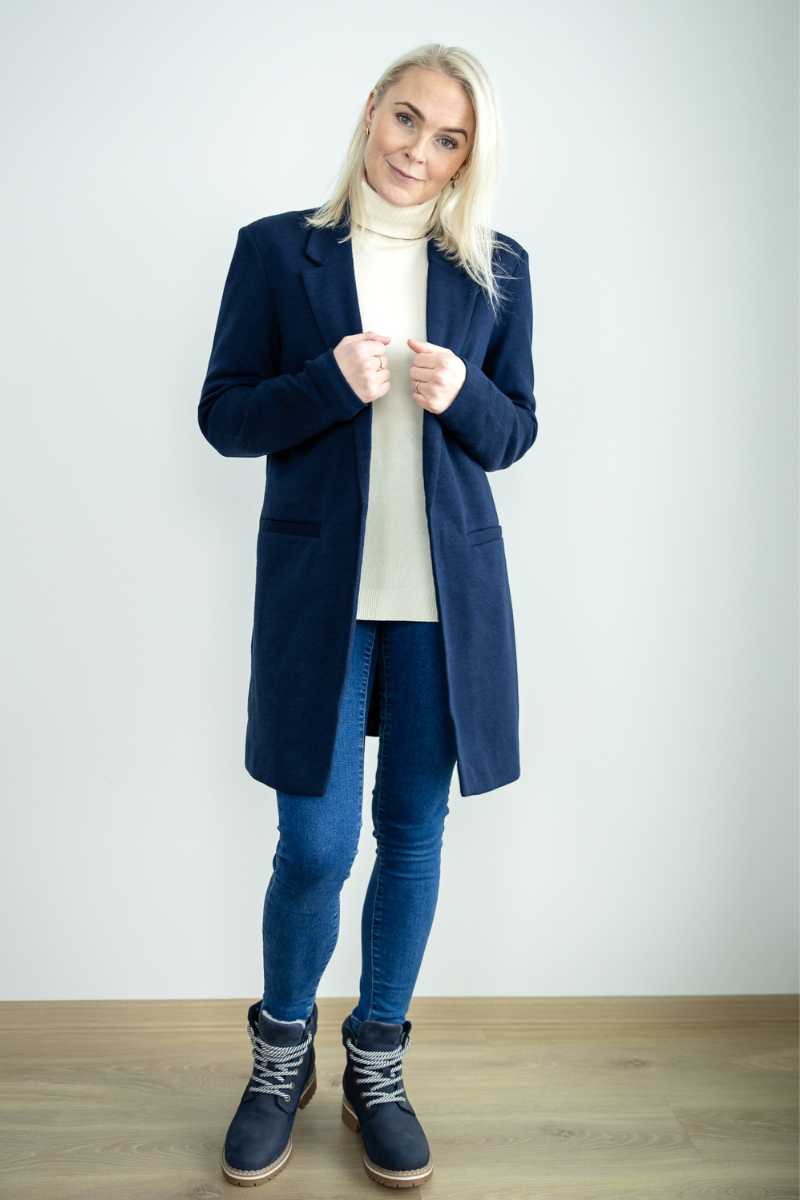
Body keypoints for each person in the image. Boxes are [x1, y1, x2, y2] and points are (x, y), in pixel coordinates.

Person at [198, 41, 537, 1190]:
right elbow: (224, 417)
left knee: (412, 835)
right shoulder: (274, 251)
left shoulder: (496, 268)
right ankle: (279, 1055)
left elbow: (515, 431)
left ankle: (376, 1065)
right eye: (406, 120)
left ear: (467, 158)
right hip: (320, 604)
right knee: (316, 844)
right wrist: (323, 384)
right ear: (370, 111)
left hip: (444, 605)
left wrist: (464, 395)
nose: (417, 152)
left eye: (448, 139)